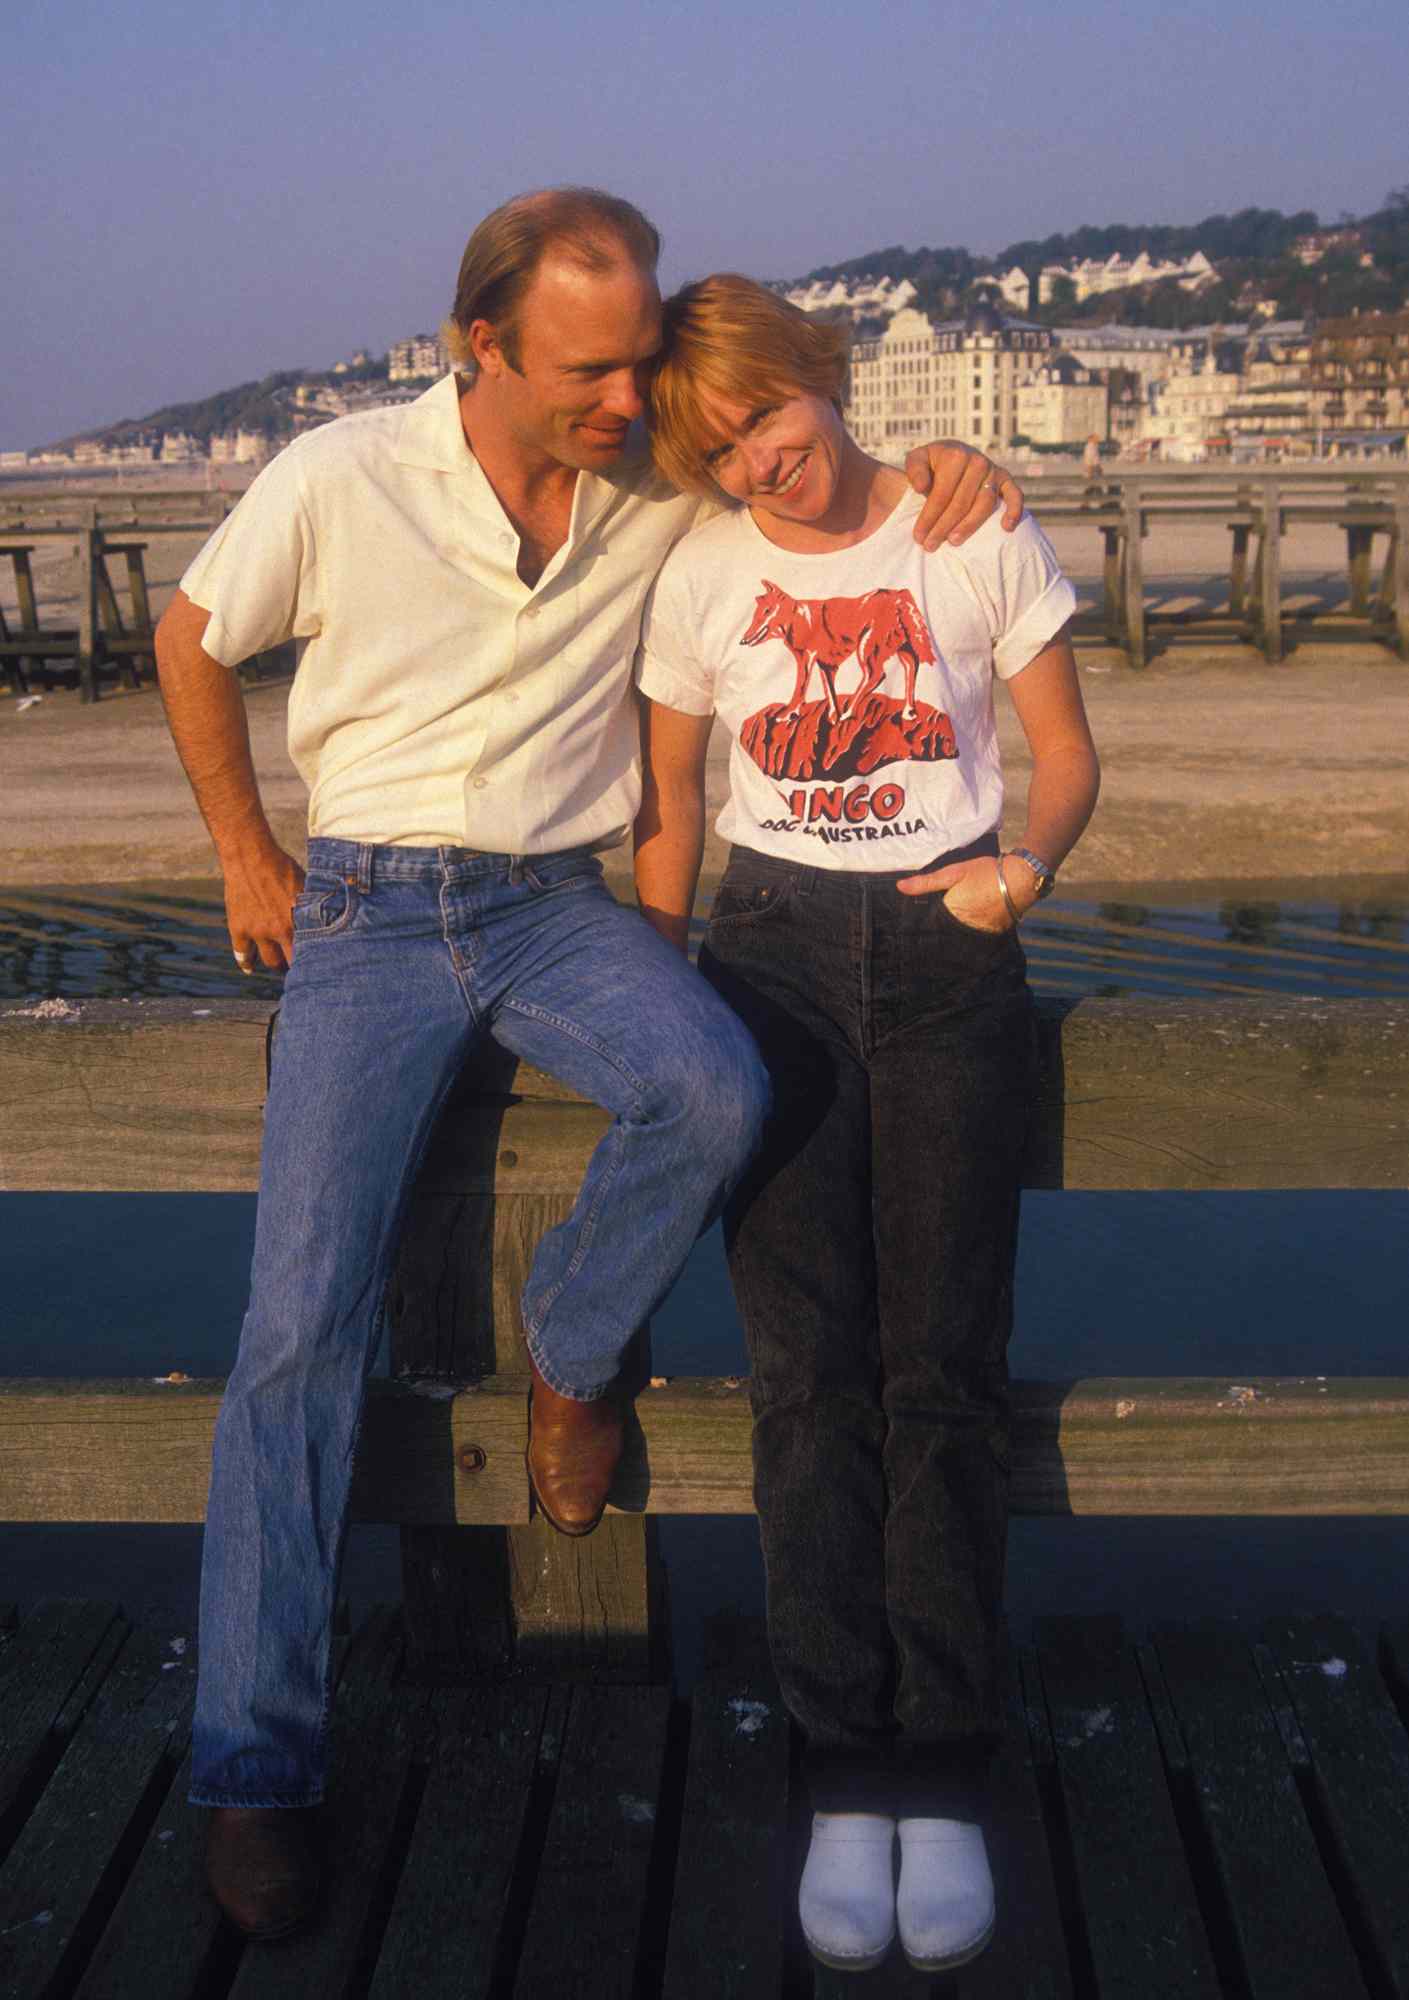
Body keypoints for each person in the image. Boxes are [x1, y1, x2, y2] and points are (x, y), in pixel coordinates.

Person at [152, 189, 1023, 1940]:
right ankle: (255, 1765)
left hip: (556, 906)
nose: (622, 402)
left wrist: (936, 461)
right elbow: (192, 638)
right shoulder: (336, 474)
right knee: (297, 1329)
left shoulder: (647, 485)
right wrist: (247, 856)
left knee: (712, 1086)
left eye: (636, 367)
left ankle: (570, 1355)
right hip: (369, 906)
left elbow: (798, 470)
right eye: (585, 370)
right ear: (481, 344)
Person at [634, 275, 1099, 1975]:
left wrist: (1020, 872)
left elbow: (1063, 751)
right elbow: (669, 799)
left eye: (766, 415)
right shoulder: (699, 570)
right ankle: (839, 1767)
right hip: (764, 956)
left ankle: (946, 1770)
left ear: (819, 380)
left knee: (944, 1370)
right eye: (718, 445)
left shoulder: (968, 528)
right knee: (806, 1371)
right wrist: (665, 987)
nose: (760, 461)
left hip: (943, 950)